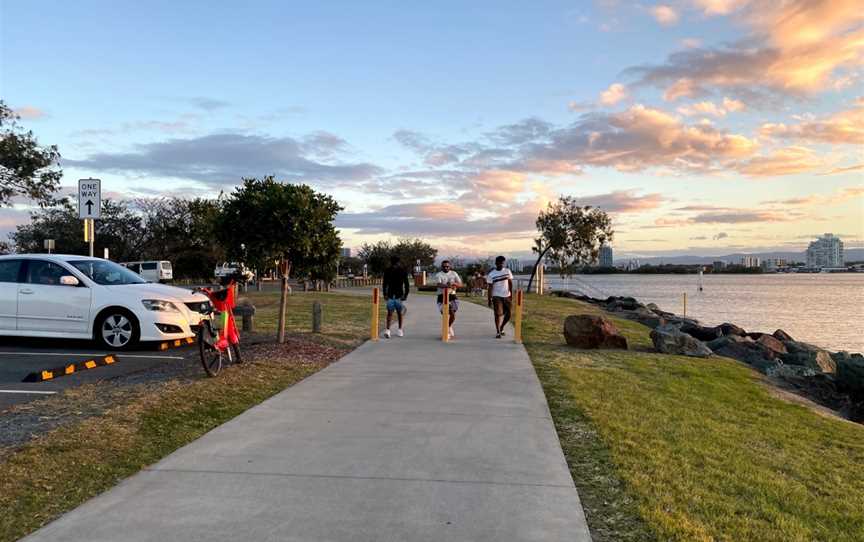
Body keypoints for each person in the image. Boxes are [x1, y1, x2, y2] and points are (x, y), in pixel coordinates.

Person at [382, 255, 410, 338]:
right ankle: (388, 330)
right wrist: (385, 294)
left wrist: (405, 295)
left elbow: (406, 284)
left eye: (396, 262)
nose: (394, 264)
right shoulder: (387, 270)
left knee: (399, 313)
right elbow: (385, 283)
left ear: (398, 262)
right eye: (393, 262)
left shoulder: (402, 271)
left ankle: (400, 330)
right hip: (391, 295)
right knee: (390, 312)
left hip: (399, 295)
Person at [487, 255, 514, 338]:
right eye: (499, 263)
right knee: (498, 314)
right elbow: (490, 288)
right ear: (496, 263)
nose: (501, 265)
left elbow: (510, 283)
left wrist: (511, 294)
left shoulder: (507, 271)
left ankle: (502, 327)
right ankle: (498, 331)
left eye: (503, 263)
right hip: (496, 296)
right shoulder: (492, 274)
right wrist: (489, 299)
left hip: (506, 295)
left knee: (509, 314)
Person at [434, 260, 462, 340]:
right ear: (441, 267)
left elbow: (460, 283)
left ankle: (448, 327)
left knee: (453, 314)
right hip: (442, 296)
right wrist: (447, 286)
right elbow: (438, 284)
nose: (446, 268)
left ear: (450, 267)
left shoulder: (454, 273)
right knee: (446, 314)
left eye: (447, 266)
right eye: (444, 266)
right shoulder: (439, 275)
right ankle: (446, 331)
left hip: (452, 296)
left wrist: (454, 284)